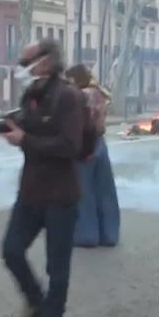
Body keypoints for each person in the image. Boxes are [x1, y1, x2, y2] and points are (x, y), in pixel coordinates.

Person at [0, 39, 84, 317]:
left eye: (26, 61)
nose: (21, 67)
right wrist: (11, 128)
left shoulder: (68, 97)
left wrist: (24, 140)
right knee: (11, 250)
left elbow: (70, 146)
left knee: (56, 265)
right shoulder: (31, 94)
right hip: (31, 191)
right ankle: (36, 302)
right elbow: (31, 129)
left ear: (47, 61)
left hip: (61, 195)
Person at [66, 65, 119, 248]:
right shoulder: (98, 93)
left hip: (84, 144)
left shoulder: (81, 96)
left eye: (70, 80)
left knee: (84, 192)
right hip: (100, 144)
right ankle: (109, 234)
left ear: (76, 79)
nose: (68, 84)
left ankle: (87, 235)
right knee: (104, 191)